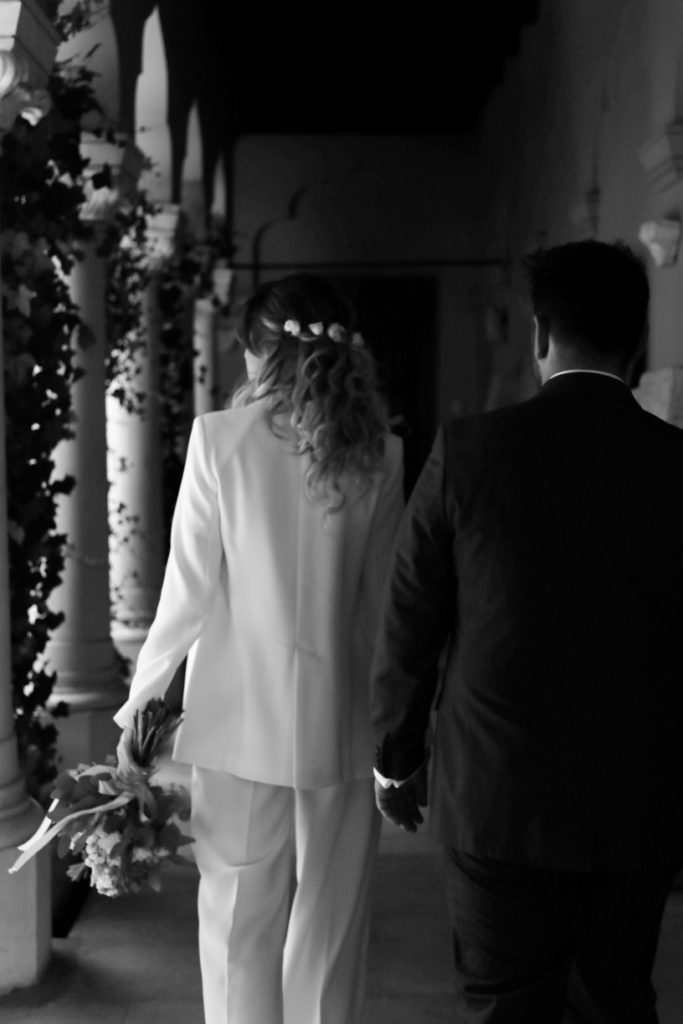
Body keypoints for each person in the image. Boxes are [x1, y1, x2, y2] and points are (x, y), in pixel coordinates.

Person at [369, 239, 683, 1024]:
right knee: (614, 1000)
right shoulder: (674, 463)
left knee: (503, 1004)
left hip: (497, 792)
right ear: (638, 341)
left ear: (539, 334)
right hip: (638, 793)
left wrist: (395, 759)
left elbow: (410, 616)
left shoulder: (469, 451)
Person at [113, 273, 404, 1024]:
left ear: (261, 350)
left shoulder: (220, 439)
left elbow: (185, 594)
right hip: (344, 721)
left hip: (238, 726)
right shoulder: (382, 453)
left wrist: (139, 714)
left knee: (237, 921)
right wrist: (400, 723)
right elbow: (382, 608)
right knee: (332, 923)